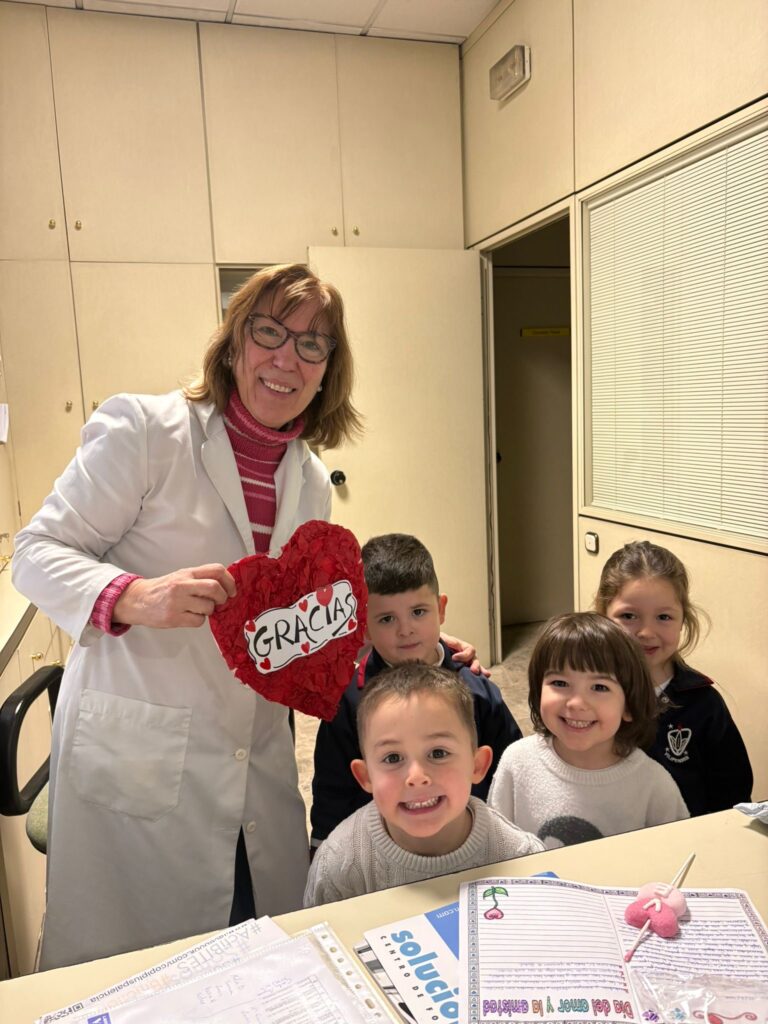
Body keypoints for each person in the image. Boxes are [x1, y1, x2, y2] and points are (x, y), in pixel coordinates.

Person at [11, 263, 366, 969]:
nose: (285, 357)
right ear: (234, 344)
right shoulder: (144, 430)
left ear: (328, 370)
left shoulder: (310, 479)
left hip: (256, 750)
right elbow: (34, 551)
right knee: (134, 973)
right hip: (142, 747)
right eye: (269, 331)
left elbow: (294, 618)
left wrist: (377, 638)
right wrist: (131, 597)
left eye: (311, 345)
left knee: (251, 951)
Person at [310, 533, 521, 849]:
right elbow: (333, 790)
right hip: (382, 850)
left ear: (441, 608)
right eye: (386, 618)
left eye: (418, 612)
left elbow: (511, 769)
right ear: (364, 626)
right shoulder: (348, 703)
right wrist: (322, 847)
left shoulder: (477, 691)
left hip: (470, 844)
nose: (405, 629)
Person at [303, 663, 543, 906]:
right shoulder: (338, 868)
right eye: (393, 758)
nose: (417, 776)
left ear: (477, 765)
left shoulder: (520, 858)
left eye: (438, 753)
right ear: (365, 777)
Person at [488, 613, 689, 849]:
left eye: (599, 687)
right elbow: (494, 846)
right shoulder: (517, 761)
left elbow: (678, 855)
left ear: (629, 705)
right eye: (560, 683)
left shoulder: (653, 785)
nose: (576, 703)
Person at [595, 540, 753, 816]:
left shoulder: (704, 704)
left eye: (664, 617)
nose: (646, 632)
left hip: (686, 842)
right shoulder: (584, 693)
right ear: (603, 616)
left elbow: (732, 793)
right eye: (629, 615)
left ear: (683, 620)